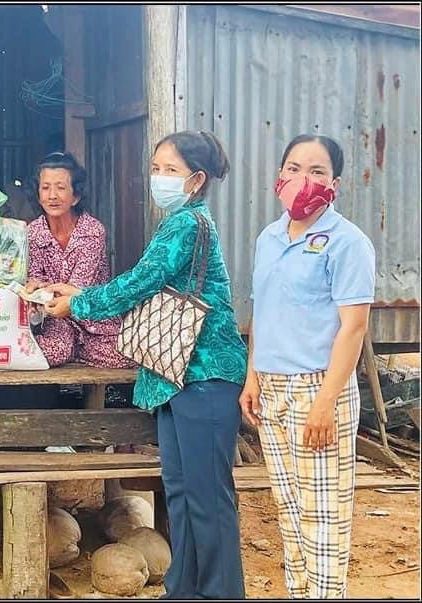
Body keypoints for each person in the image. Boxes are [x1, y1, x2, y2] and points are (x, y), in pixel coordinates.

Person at [44, 131, 248, 599]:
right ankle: (183, 590)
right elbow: (143, 281)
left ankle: (220, 593)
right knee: (180, 491)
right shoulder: (178, 221)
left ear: (196, 180)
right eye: (156, 168)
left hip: (205, 373)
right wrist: (81, 295)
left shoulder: (187, 224)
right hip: (176, 375)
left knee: (206, 498)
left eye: (171, 170)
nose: (159, 177)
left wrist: (78, 304)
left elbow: (141, 282)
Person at [239, 135, 374, 599]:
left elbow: (353, 327)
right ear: (279, 176)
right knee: (289, 510)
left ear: (335, 183)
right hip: (271, 387)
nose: (303, 179)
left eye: (317, 171)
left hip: (319, 388)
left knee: (323, 519)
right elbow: (262, 314)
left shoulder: (347, 242)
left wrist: (325, 403)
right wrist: (253, 376)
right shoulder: (269, 238)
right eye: (294, 168)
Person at [23, 151, 136, 369]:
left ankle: (76, 350)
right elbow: (35, 277)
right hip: (55, 318)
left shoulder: (92, 231)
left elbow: (77, 288)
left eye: (60, 187)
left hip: (92, 317)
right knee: (54, 350)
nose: (52, 195)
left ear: (75, 196)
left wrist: (43, 289)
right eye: (45, 188)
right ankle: (71, 349)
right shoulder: (33, 232)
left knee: (126, 356)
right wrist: (33, 286)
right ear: (38, 195)